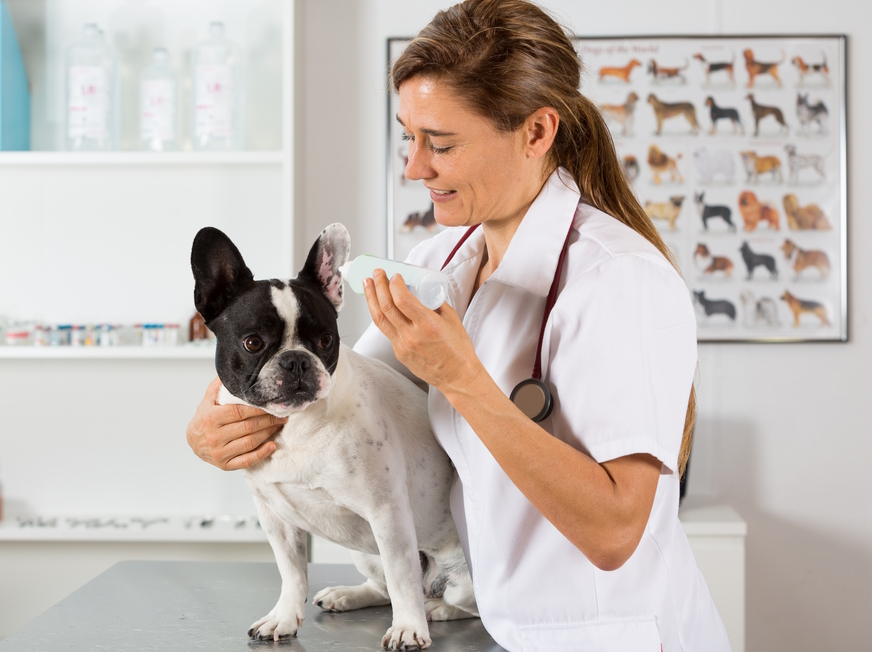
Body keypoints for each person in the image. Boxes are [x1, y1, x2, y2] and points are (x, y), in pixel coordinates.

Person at [186, 1, 732, 650]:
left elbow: (617, 533)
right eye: (407, 138)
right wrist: (209, 425)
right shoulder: (435, 264)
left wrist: (465, 381)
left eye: (440, 144)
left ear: (536, 132)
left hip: (611, 636)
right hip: (490, 623)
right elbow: (344, 390)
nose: (415, 168)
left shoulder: (619, 281)